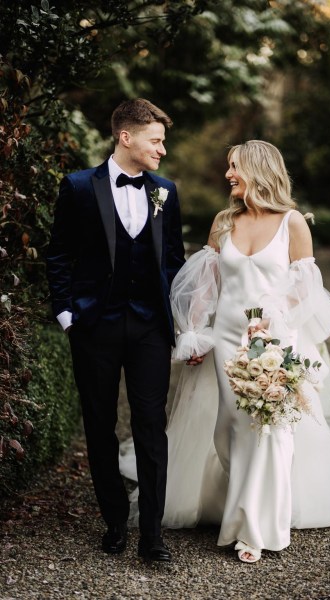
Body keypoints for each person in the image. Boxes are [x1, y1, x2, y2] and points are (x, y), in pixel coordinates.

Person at [119, 140, 330, 564]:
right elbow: (205, 284)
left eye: (234, 167)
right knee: (229, 431)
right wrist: (195, 332)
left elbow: (305, 287)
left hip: (274, 342)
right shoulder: (224, 222)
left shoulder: (293, 223)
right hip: (226, 341)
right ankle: (239, 503)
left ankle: (256, 528)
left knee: (270, 430)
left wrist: (271, 317)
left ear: (257, 169)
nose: (228, 175)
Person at [47, 98, 185, 562]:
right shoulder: (80, 187)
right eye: (156, 140)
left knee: (151, 426)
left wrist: (180, 324)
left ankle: (152, 535)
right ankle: (113, 522)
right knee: (100, 426)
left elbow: (173, 263)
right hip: (94, 327)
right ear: (126, 137)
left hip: (148, 327)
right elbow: (59, 254)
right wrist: (67, 315)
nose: (162, 150)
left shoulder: (165, 191)